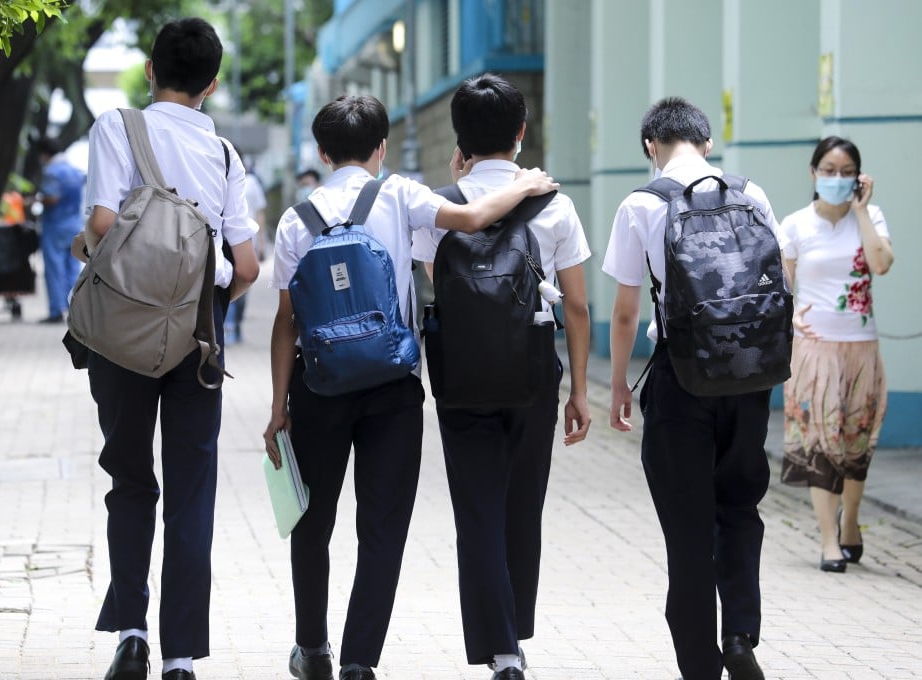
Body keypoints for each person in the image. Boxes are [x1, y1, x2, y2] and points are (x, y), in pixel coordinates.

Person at [262, 94, 558, 680]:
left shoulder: (297, 218)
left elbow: (285, 320)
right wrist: (524, 186)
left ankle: (312, 649)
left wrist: (278, 408)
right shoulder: (398, 195)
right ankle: (358, 660)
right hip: (392, 389)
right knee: (382, 526)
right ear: (381, 148)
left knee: (311, 520)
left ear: (322, 153)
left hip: (317, 387)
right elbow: (473, 219)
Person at [79, 17, 259, 680]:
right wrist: (211, 313)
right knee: (192, 490)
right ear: (212, 84)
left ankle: (132, 632)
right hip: (199, 332)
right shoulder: (225, 154)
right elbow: (246, 264)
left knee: (130, 480)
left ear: (151, 70)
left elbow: (101, 223)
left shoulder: (116, 127)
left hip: (122, 327)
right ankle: (180, 655)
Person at [410, 73, 592, 680]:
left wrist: (456, 180)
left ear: (460, 139)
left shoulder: (437, 208)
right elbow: (577, 307)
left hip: (462, 376)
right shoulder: (554, 204)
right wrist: (582, 392)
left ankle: (501, 650)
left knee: (478, 512)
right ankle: (515, 635)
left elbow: (443, 285)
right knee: (522, 509)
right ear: (521, 132)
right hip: (533, 374)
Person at [602, 97, 778, 680]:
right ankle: (739, 634)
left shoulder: (641, 204)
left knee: (687, 526)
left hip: (681, 378)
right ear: (705, 142)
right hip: (748, 378)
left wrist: (620, 384)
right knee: (739, 507)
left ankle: (700, 664)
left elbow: (626, 312)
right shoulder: (752, 194)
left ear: (651, 145)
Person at [778, 136, 893, 573]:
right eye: (828, 170)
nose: (837, 179)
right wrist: (790, 323)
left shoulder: (871, 217)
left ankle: (851, 524)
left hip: (862, 348)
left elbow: (881, 264)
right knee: (821, 441)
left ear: (859, 178)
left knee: (857, 440)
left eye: (846, 172)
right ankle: (829, 540)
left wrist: (861, 210)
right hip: (815, 349)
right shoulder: (795, 225)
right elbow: (781, 291)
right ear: (813, 173)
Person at [35, 137, 85, 323]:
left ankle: (56, 310)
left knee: (54, 269)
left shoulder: (52, 172)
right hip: (74, 225)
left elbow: (52, 198)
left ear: (45, 154)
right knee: (73, 268)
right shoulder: (74, 171)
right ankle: (76, 309)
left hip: (54, 226)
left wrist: (37, 199)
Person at [223, 152, 267, 344]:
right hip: (240, 242)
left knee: (234, 288)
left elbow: (259, 213)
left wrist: (262, 244)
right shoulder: (223, 168)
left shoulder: (249, 182)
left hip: (242, 241)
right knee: (233, 284)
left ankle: (234, 326)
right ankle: (230, 328)